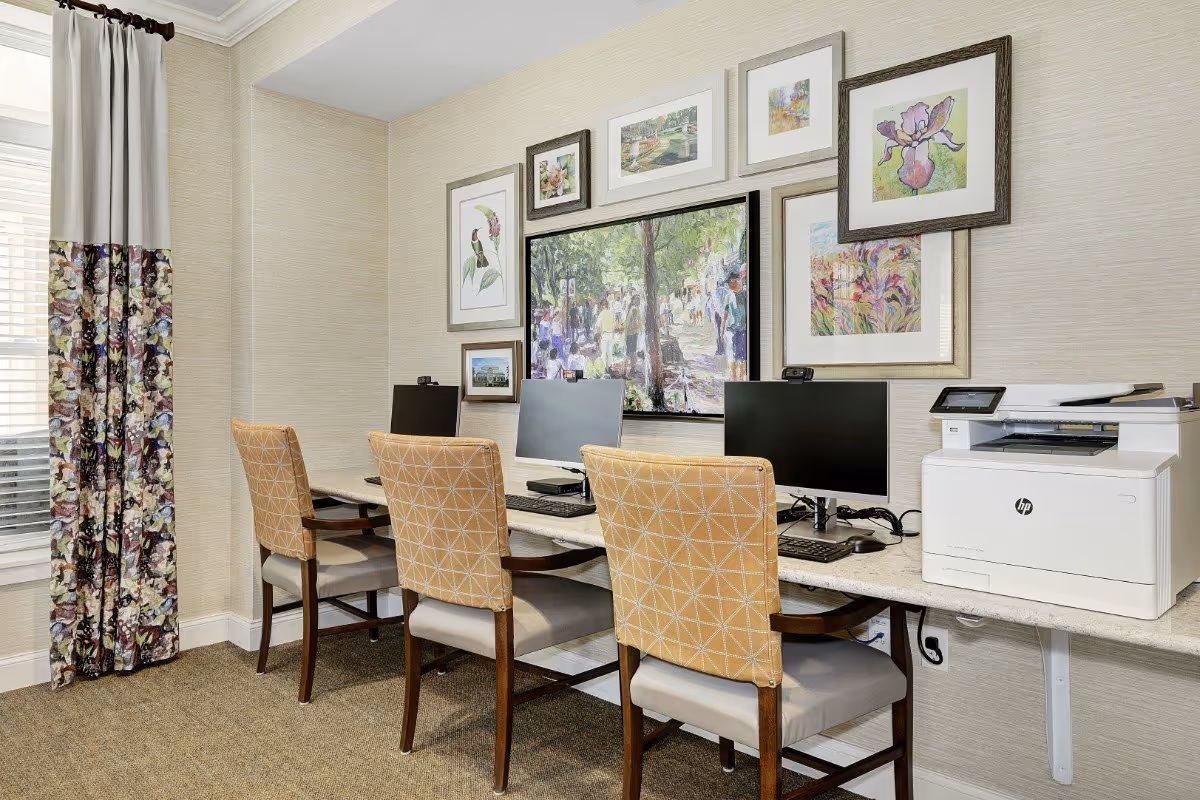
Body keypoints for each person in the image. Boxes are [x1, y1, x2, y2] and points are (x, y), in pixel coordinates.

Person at [724, 276, 749, 381]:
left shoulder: (745, 295)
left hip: (743, 330)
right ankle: (733, 380)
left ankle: (742, 380)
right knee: (731, 356)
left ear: (737, 282)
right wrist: (722, 330)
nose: (730, 285)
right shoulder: (728, 296)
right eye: (729, 283)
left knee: (742, 357)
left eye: (732, 282)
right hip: (730, 330)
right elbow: (725, 314)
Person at [624, 293, 643, 377]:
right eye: (637, 300)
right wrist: (639, 328)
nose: (639, 301)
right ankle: (631, 369)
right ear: (633, 301)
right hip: (632, 333)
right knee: (632, 352)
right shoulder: (634, 309)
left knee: (631, 352)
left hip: (630, 333)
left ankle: (630, 369)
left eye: (639, 300)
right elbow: (634, 322)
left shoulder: (633, 308)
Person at [596, 298, 616, 368]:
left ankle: (604, 368)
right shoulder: (612, 313)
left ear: (602, 305)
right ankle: (609, 367)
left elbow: (598, 326)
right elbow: (614, 325)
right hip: (611, 334)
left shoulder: (602, 313)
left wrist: (598, 335)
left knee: (603, 353)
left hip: (604, 335)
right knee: (610, 353)